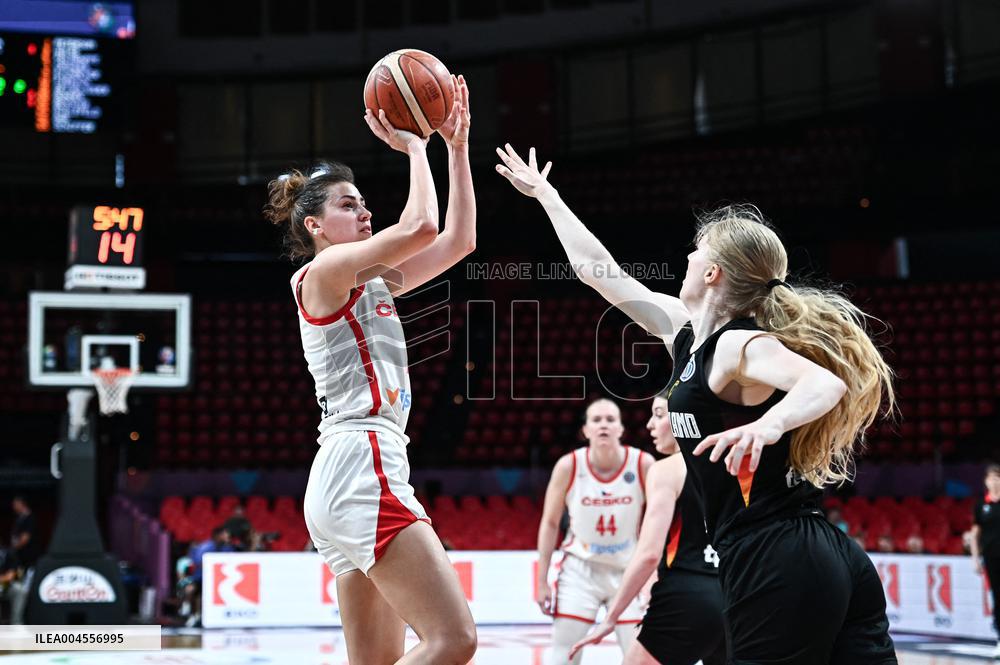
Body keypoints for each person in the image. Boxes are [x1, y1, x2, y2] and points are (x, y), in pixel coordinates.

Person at [496, 144, 897, 664]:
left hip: (776, 555)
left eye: (697, 249)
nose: (687, 256)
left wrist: (766, 426)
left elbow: (824, 385)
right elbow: (600, 271)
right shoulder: (686, 336)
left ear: (713, 274)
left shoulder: (736, 344)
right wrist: (548, 196)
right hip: (814, 553)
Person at [264, 76, 476, 665]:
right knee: (453, 640)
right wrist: (415, 145)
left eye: (363, 202)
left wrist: (455, 147)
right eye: (348, 204)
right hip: (363, 460)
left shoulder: (369, 279)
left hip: (342, 468)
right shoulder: (326, 273)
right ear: (314, 226)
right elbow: (420, 228)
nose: (364, 211)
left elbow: (458, 239)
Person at [570, 392, 724, 665]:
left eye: (659, 414)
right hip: (733, 593)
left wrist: (611, 617)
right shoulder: (729, 464)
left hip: (685, 595)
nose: (650, 425)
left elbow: (649, 554)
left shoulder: (666, 470)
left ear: (681, 418)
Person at [535, 397, 654, 665]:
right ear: (586, 430)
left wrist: (652, 577)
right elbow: (550, 522)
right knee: (565, 653)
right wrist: (542, 580)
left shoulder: (643, 463)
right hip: (580, 570)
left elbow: (660, 521)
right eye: (596, 420)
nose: (603, 425)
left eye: (610, 420)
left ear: (621, 429)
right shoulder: (569, 466)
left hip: (629, 570)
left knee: (639, 656)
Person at [971, 463, 1000, 658]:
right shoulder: (981, 505)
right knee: (997, 597)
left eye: (998, 477)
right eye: (991, 477)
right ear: (986, 481)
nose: (995, 480)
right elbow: (974, 535)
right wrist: (975, 559)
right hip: (991, 558)